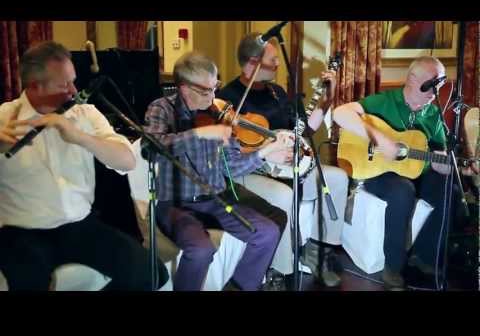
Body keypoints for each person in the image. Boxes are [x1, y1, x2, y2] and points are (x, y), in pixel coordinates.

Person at [0, 41, 168, 291]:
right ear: (35, 86)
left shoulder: (86, 114)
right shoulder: (4, 117)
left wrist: (81, 137)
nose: (74, 90)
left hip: (80, 225)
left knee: (153, 274)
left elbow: (127, 160)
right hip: (22, 231)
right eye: (64, 84)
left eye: (73, 80)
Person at [144, 51, 290, 291]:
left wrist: (264, 152)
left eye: (215, 87)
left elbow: (231, 166)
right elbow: (152, 146)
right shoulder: (161, 109)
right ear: (184, 88)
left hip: (215, 200)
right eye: (207, 91)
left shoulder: (218, 115)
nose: (214, 96)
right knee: (201, 249)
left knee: (267, 233)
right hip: (175, 204)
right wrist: (199, 134)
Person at [217, 33, 349, 287]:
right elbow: (225, 153)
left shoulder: (276, 92)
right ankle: (281, 268)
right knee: (283, 195)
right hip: (252, 170)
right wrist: (268, 149)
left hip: (288, 167)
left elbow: (303, 128)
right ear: (253, 63)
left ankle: (319, 248)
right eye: (273, 59)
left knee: (337, 177)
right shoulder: (228, 97)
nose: (278, 64)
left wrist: (327, 99)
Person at [333, 56, 469, 290]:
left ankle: (426, 257)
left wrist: (452, 165)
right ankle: (392, 266)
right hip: (376, 170)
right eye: (431, 84)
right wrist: (379, 139)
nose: (435, 91)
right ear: (413, 79)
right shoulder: (385, 101)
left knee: (448, 188)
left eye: (439, 85)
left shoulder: (433, 114)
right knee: (402, 191)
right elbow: (340, 114)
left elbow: (438, 153)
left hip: (417, 170)